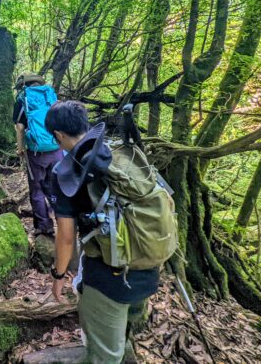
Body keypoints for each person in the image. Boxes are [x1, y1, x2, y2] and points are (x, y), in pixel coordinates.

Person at [46, 101, 159, 364]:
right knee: (122, 335)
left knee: (103, 356)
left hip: (108, 280)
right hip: (150, 267)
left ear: (59, 136)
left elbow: (65, 236)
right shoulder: (122, 154)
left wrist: (58, 275)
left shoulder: (65, 174)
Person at [12, 73, 63, 236]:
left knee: (37, 190)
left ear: (23, 85)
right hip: (57, 149)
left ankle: (44, 227)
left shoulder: (23, 98)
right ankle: (65, 223)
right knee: (56, 187)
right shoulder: (50, 94)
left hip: (37, 153)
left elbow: (20, 127)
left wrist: (20, 149)